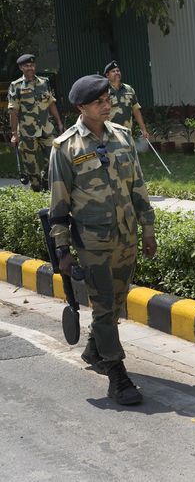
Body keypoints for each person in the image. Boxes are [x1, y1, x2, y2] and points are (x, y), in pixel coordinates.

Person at [49, 74, 157, 405]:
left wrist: (148, 228)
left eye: (108, 99)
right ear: (82, 107)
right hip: (93, 243)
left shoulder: (122, 137)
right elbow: (59, 204)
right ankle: (117, 375)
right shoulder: (65, 147)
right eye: (99, 102)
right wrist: (63, 250)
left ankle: (96, 349)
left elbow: (137, 186)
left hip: (126, 237)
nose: (107, 104)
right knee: (105, 305)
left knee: (118, 301)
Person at [7, 53, 65, 191]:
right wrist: (14, 133)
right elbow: (13, 111)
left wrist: (59, 123)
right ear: (21, 67)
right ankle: (37, 189)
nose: (30, 68)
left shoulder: (44, 82)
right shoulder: (16, 86)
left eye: (32, 65)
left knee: (54, 156)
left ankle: (46, 180)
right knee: (31, 163)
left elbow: (51, 103)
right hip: (28, 131)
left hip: (47, 128)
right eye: (26, 65)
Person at [103, 61, 150, 139]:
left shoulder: (129, 89)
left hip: (127, 132)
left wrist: (143, 130)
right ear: (107, 75)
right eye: (113, 71)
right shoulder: (104, 91)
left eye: (118, 71)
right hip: (110, 133)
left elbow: (136, 110)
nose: (116, 72)